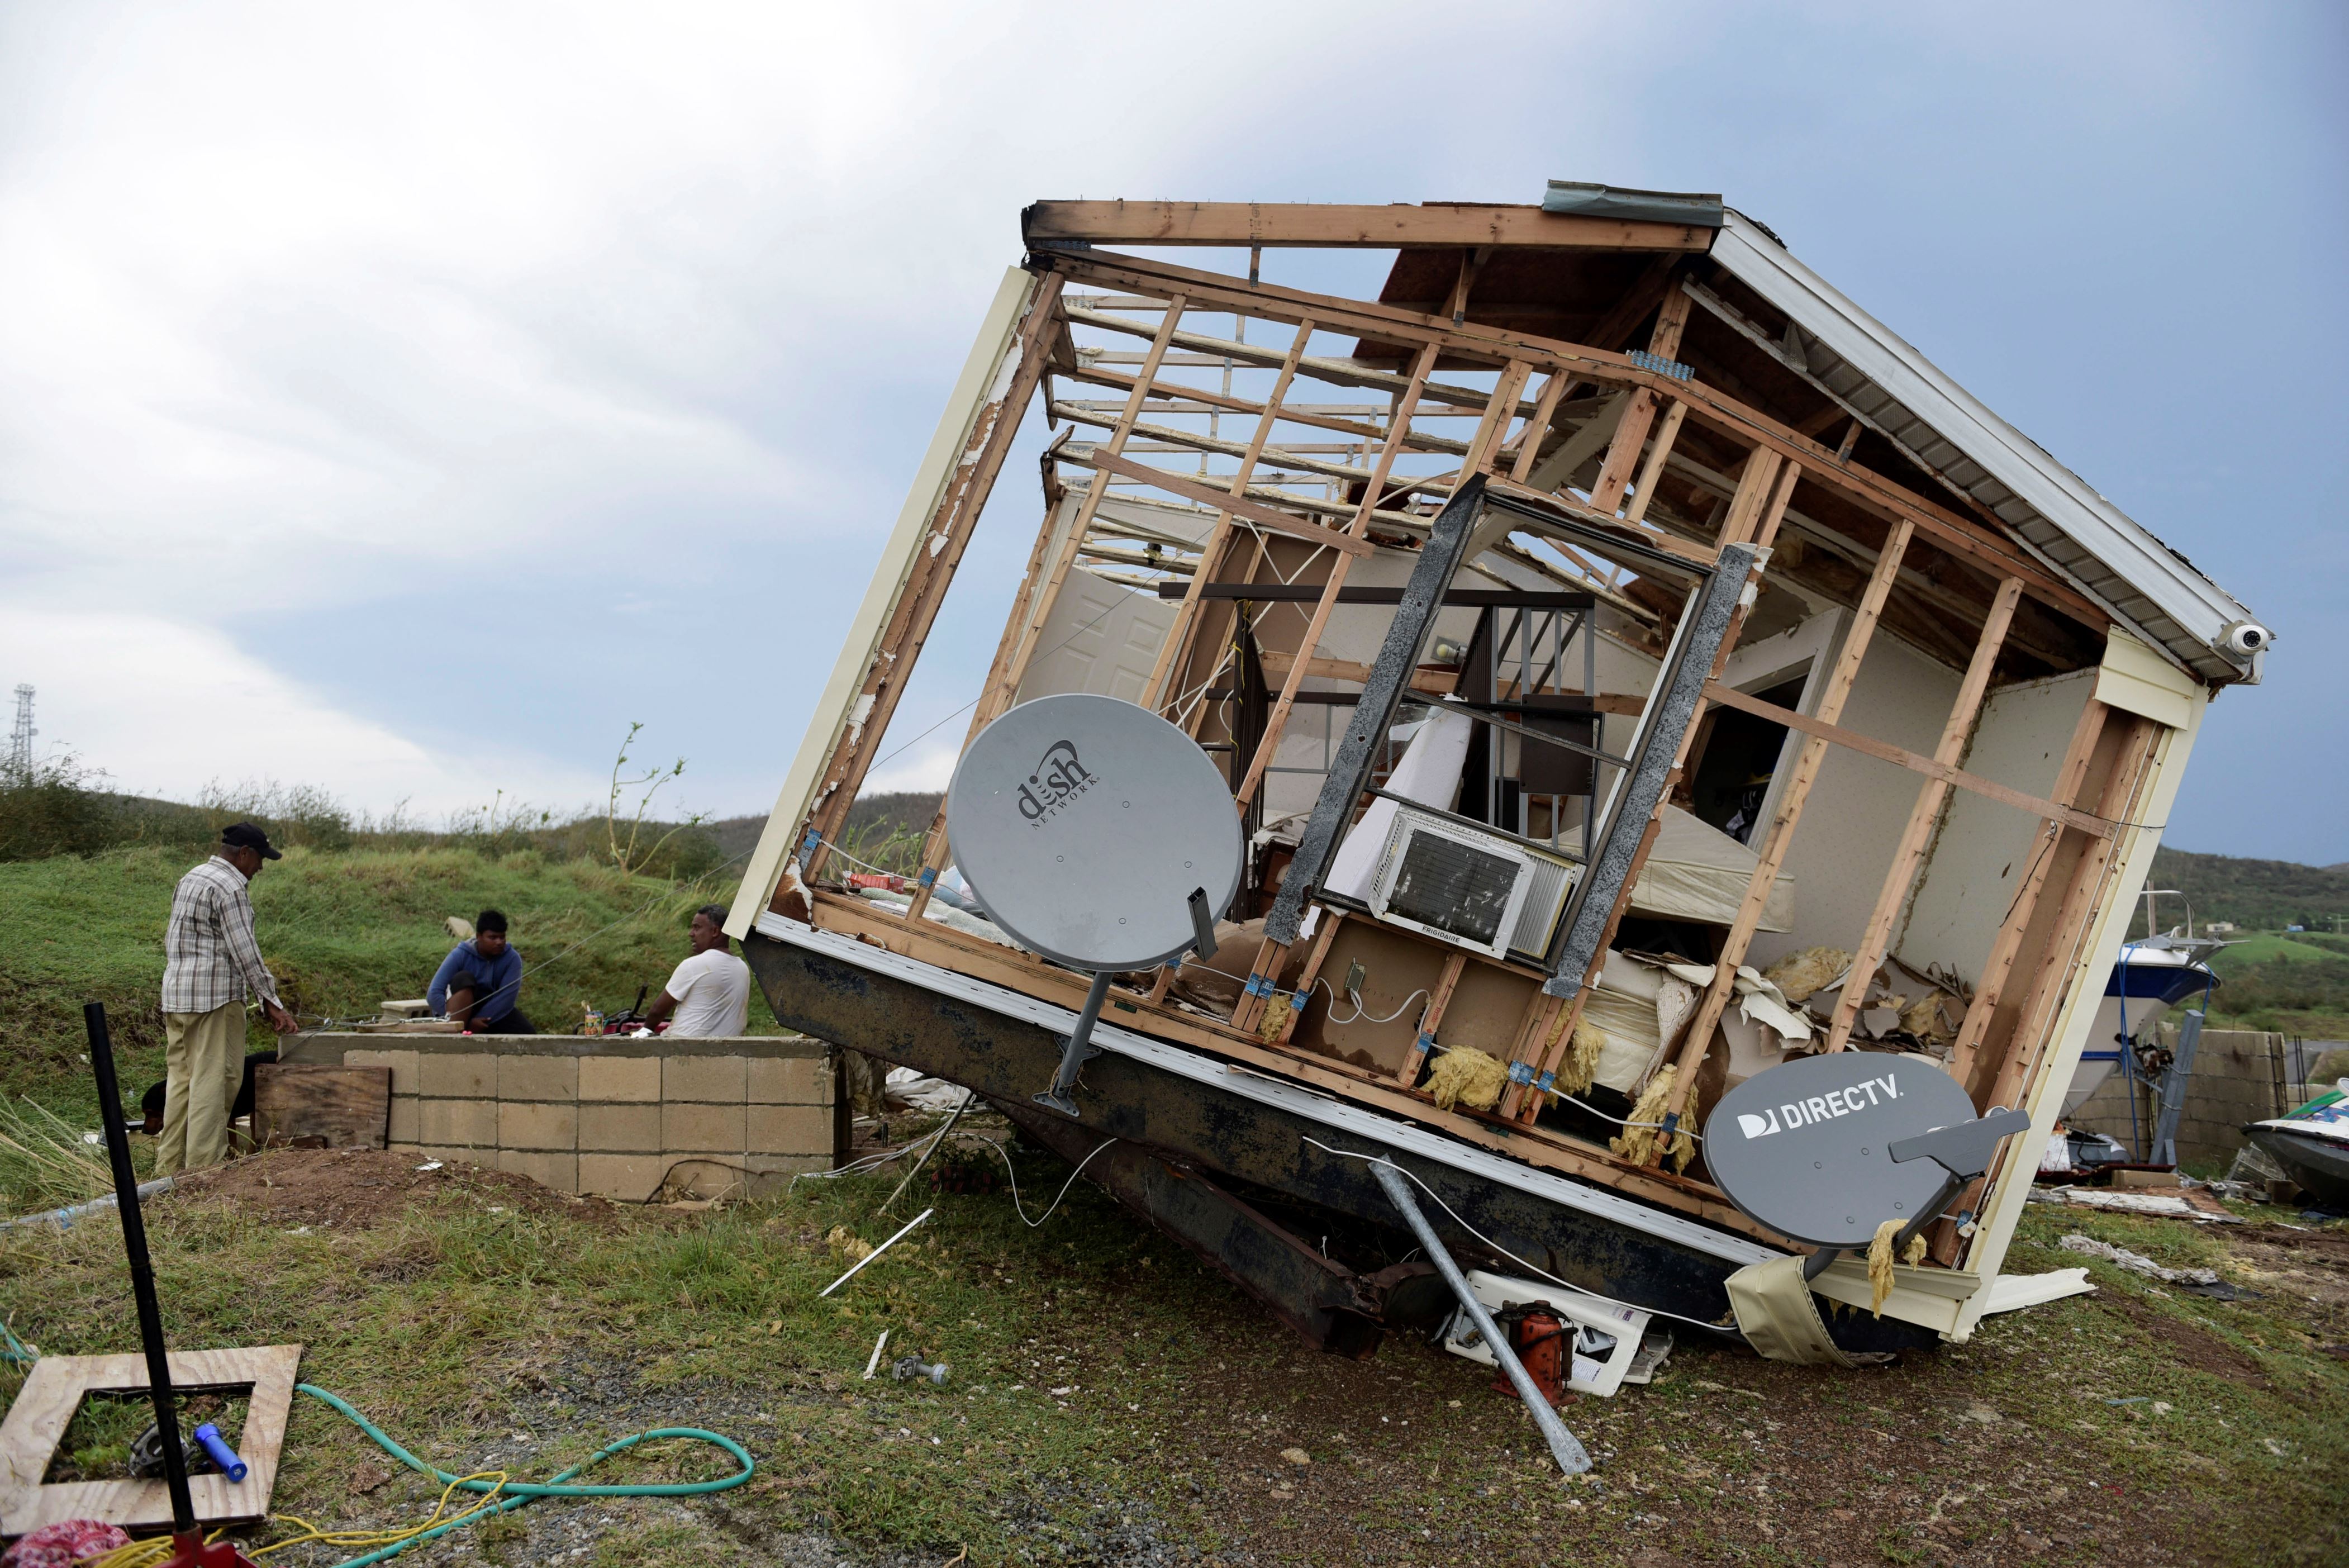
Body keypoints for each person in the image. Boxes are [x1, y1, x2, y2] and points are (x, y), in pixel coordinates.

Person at [158, 823, 298, 1174]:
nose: (261, 868)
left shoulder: (192, 877)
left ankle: (169, 1169)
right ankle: (204, 1170)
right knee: (214, 1082)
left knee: (181, 1083)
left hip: (177, 997)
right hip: (213, 1002)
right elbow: (245, 951)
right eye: (260, 859)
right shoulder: (231, 887)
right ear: (244, 853)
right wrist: (271, 1000)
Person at [640, 904, 753, 1038]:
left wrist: (645, 1030)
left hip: (682, 1048)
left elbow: (658, 1010)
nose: (691, 934)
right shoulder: (742, 968)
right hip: (727, 1051)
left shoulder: (694, 965)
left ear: (715, 932)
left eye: (697, 928)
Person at [427, 909, 533, 1033]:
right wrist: (463, 1021)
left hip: (490, 1014)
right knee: (464, 978)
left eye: (502, 937)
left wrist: (481, 1020)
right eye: (493, 938)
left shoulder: (512, 959)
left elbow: (506, 999)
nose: (499, 942)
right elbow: (434, 994)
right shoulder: (460, 955)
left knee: (528, 1033)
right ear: (479, 937)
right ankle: (457, 1034)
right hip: (458, 1011)